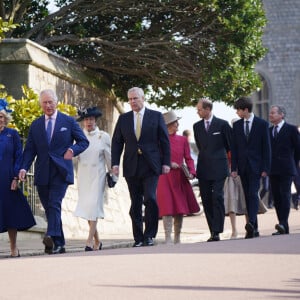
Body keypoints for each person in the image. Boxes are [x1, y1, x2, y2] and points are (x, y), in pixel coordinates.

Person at [19, 89, 89, 254]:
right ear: (41, 104)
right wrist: (23, 167)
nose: (48, 105)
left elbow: (83, 142)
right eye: (45, 102)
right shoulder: (36, 125)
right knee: (50, 209)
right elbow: (29, 150)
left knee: (54, 204)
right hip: (42, 172)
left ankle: (50, 234)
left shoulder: (68, 121)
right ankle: (59, 243)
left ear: (56, 102)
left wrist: (72, 150)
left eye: (51, 102)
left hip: (61, 171)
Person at [111, 87, 171, 247]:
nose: (132, 102)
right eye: (130, 99)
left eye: (135, 98)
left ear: (143, 98)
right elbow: (117, 142)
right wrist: (115, 163)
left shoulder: (156, 116)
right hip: (131, 165)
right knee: (135, 203)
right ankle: (138, 237)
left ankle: (149, 235)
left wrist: (166, 162)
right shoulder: (123, 119)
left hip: (151, 165)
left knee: (150, 198)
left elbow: (164, 141)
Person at [157, 111, 200, 244]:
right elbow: (156, 157)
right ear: (169, 125)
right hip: (164, 177)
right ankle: (168, 237)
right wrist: (168, 163)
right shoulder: (159, 139)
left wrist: (192, 171)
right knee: (167, 207)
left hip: (179, 177)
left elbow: (188, 158)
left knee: (179, 208)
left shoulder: (182, 140)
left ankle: (177, 237)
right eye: (176, 122)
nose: (178, 124)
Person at [231, 96, 271, 239]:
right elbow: (234, 149)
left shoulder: (262, 124)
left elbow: (267, 148)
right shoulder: (236, 126)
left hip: (257, 167)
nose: (237, 113)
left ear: (246, 110)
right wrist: (234, 168)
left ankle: (251, 223)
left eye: (238, 110)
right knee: (247, 196)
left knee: (253, 193)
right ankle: (254, 229)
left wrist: (266, 168)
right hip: (242, 167)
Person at [0, 99, 36, 257]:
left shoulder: (12, 134)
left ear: (5, 118)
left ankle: (14, 247)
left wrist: (15, 177)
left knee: (11, 213)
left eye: (1, 116)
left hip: (8, 178)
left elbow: (18, 156)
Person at [74, 107, 113, 251]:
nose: (88, 122)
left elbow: (109, 158)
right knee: (86, 209)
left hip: (98, 175)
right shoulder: (78, 137)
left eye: (91, 119)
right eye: (86, 119)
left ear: (95, 120)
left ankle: (89, 241)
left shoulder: (103, 136)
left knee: (93, 207)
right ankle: (98, 240)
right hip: (84, 175)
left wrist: (113, 174)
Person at [193, 98, 232, 242]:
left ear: (208, 109)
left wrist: (232, 167)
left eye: (200, 109)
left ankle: (217, 230)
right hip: (203, 168)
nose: (198, 112)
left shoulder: (222, 124)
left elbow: (229, 147)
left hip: (220, 168)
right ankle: (212, 231)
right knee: (206, 199)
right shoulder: (196, 126)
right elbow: (200, 146)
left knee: (217, 197)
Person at [268, 105, 300, 235]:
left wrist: (293, 163)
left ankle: (282, 223)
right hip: (273, 169)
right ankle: (283, 226)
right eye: (270, 113)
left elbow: (298, 149)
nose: (270, 115)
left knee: (285, 194)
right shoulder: (269, 131)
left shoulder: (291, 129)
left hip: (287, 168)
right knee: (276, 197)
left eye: (273, 113)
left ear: (281, 115)